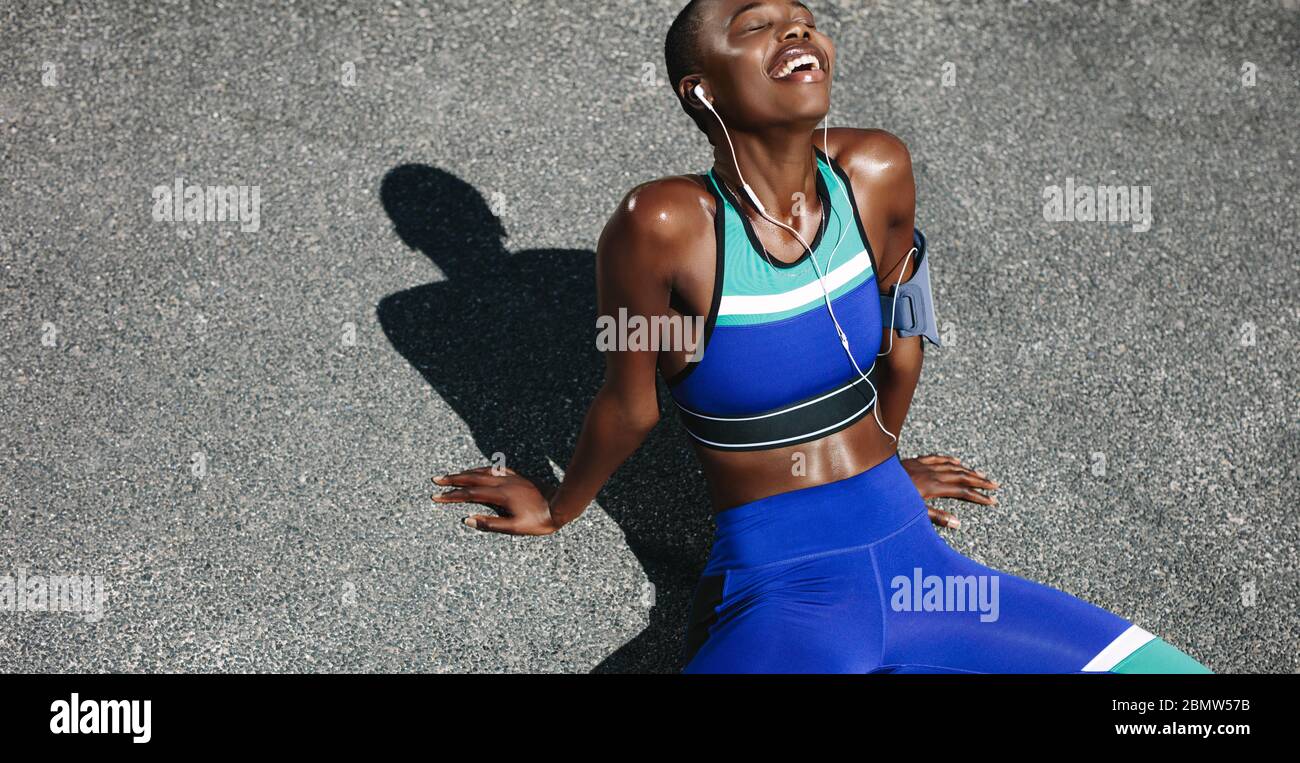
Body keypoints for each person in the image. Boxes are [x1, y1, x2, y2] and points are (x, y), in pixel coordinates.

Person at [432, 0, 1211, 674]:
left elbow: (905, 334)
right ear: (701, 89)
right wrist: (559, 507)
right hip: (785, 592)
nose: (796, 31)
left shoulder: (876, 170)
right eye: (758, 26)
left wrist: (887, 458)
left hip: (928, 578)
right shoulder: (660, 225)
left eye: (804, 20)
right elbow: (630, 405)